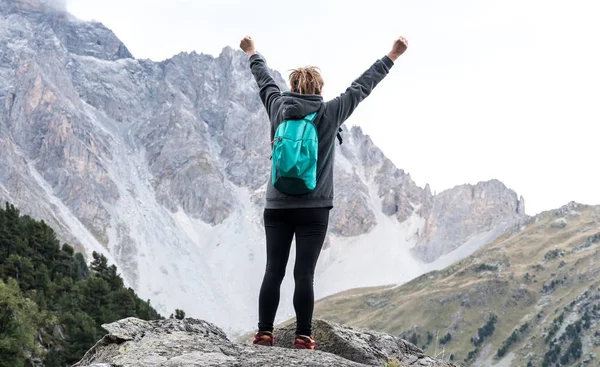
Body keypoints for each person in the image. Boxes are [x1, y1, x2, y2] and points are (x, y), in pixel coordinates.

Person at [240, 35, 408, 349]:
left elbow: (263, 80)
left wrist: (251, 51)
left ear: (291, 86)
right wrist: (392, 55)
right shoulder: (329, 113)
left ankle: (264, 333)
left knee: (273, 270)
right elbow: (361, 88)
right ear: (319, 89)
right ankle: (303, 337)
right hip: (314, 208)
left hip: (276, 205)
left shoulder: (277, 107)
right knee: (304, 273)